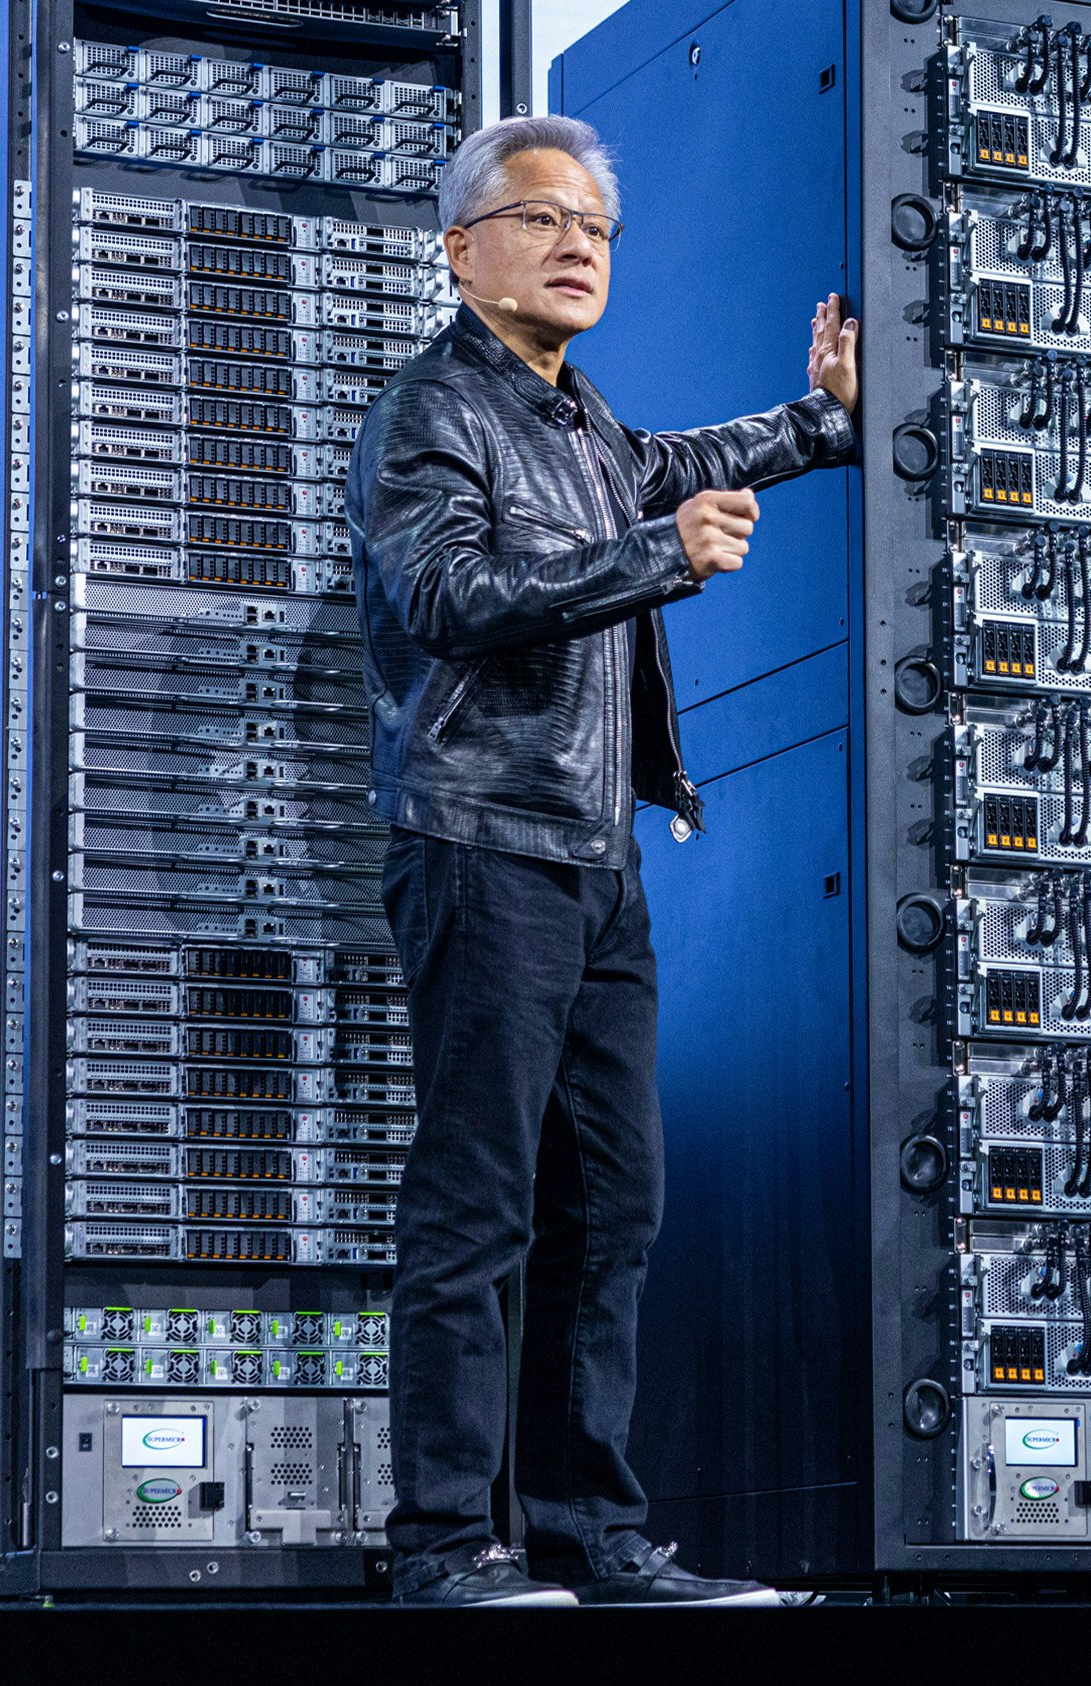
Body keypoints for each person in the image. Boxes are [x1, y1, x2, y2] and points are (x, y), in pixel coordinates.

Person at [348, 113, 861, 1607]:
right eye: (543, 218)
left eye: (599, 229)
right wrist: (660, 559)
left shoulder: (579, 423)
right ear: (462, 250)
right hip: (481, 841)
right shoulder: (431, 410)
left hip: (597, 856)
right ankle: (445, 1543)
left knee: (613, 1208)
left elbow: (670, 463)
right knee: (478, 1206)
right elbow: (446, 591)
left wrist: (816, 422)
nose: (580, 245)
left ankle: (588, 1536)